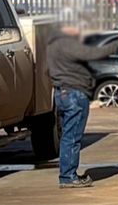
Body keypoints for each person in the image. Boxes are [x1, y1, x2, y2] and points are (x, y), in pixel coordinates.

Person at [43, 24, 111, 188]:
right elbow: (92, 53)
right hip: (74, 94)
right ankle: (68, 176)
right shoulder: (66, 44)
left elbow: (47, 70)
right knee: (72, 137)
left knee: (68, 135)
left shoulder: (52, 46)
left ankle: (67, 174)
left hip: (63, 93)